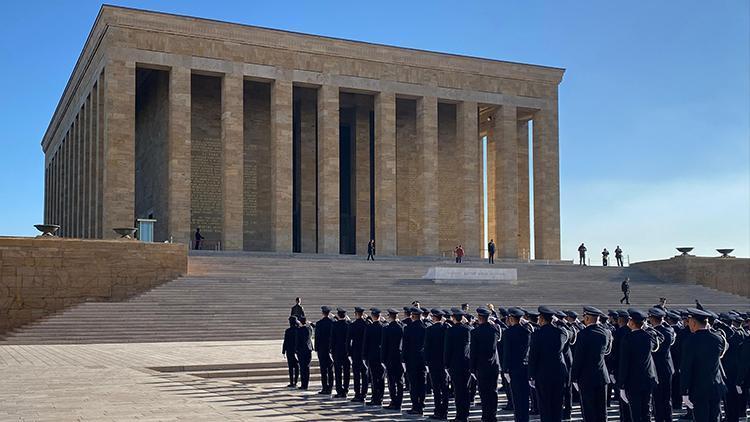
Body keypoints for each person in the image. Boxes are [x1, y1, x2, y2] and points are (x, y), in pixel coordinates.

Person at [680, 307, 728, 422]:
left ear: (694, 323)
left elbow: (686, 368)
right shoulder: (718, 338)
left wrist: (684, 391)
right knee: (715, 417)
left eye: (690, 321)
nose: (688, 324)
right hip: (715, 386)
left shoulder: (690, 341)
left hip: (698, 388)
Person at [618, 308, 661, 422]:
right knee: (646, 410)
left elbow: (624, 363)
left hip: (633, 381)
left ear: (631, 322)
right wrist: (647, 328)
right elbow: (661, 337)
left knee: (636, 413)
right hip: (648, 379)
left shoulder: (627, 338)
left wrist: (621, 384)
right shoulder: (649, 337)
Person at [571, 306, 612, 422]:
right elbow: (607, 352)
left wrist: (574, 377)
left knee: (589, 412)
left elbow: (578, 358)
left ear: (587, 317)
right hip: (602, 376)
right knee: (602, 411)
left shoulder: (583, 334)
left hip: (586, 377)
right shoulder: (606, 332)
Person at [529, 306, 569, 422]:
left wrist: (531, 375)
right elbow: (569, 333)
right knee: (557, 405)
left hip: (543, 375)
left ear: (541, 319)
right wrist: (560, 322)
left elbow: (533, 356)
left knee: (545, 405)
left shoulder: (537, 334)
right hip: (558, 374)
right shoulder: (560, 333)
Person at [471, 307, 503, 422]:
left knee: (484, 393)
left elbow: (473, 352)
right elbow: (501, 327)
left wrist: (472, 369)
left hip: (481, 366)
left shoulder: (475, 332)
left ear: (479, 318)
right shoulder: (495, 329)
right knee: (493, 392)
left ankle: (486, 416)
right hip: (494, 365)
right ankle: (492, 416)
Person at [502, 307, 533, 422]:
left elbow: (507, 353)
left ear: (511, 318)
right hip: (525, 367)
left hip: (514, 369)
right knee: (525, 396)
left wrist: (505, 370)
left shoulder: (508, 333)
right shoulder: (527, 331)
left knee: (517, 397)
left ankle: (519, 419)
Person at [444, 307, 472, 422]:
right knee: (466, 390)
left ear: (453, 318)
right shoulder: (468, 329)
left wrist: (446, 365)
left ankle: (460, 416)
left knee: (458, 391)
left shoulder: (450, 331)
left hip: (455, 365)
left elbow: (447, 349)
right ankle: (465, 413)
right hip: (467, 364)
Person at [649, 307, 675, 422]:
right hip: (667, 367)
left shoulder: (653, 333)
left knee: (658, 398)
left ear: (652, 319)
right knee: (666, 398)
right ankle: (668, 419)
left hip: (657, 369)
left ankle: (660, 419)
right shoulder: (668, 331)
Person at [424, 309, 449, 420]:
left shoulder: (430, 329)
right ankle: (445, 410)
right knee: (444, 387)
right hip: (444, 362)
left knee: (436, 388)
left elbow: (427, 348)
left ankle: (438, 410)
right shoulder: (446, 328)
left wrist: (426, 362)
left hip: (433, 363)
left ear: (434, 318)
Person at [402, 307, 427, 415]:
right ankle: (421, 403)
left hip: (411, 360)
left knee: (413, 384)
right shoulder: (425, 327)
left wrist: (403, 359)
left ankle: (415, 406)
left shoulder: (408, 328)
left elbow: (405, 346)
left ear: (412, 316)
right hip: (422, 360)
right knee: (422, 383)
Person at [381, 308, 404, 411]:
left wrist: (382, 359)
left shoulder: (387, 329)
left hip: (390, 359)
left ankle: (393, 401)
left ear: (390, 317)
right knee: (399, 381)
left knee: (391, 382)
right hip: (399, 359)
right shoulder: (401, 328)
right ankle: (399, 402)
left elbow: (384, 345)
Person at [363, 307, 385, 406]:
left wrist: (364, 356)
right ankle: (380, 397)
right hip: (381, 356)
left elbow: (365, 343)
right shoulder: (384, 327)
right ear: (379, 316)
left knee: (374, 378)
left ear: (372, 316)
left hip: (372, 356)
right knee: (381, 378)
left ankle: (375, 398)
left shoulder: (369, 328)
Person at [348, 306, 368, 403]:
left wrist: (349, 353)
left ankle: (357, 394)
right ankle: (364, 394)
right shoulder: (366, 325)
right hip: (364, 353)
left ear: (356, 314)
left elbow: (349, 340)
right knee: (364, 374)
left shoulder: (353, 325)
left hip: (355, 353)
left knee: (356, 375)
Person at [331, 307, 351, 398]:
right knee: (346, 372)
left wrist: (331, 350)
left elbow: (332, 340)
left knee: (338, 372)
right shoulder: (348, 325)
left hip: (337, 352)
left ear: (338, 315)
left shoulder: (335, 325)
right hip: (347, 352)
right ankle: (346, 390)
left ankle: (339, 391)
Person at [314, 306, 334, 395]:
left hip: (322, 349)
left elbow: (316, 338)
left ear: (322, 313)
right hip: (330, 350)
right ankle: (330, 387)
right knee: (330, 369)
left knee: (323, 369)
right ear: (329, 313)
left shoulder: (319, 323)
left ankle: (324, 388)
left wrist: (316, 348)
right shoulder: (332, 323)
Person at [295, 315, 313, 390]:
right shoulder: (309, 329)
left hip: (301, 351)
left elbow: (297, 342)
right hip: (308, 349)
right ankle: (306, 384)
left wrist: (296, 350)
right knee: (307, 367)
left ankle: (303, 384)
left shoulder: (299, 330)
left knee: (302, 368)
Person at [282, 316, 300, 388]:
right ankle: (295, 381)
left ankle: (291, 382)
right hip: (297, 351)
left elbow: (285, 341)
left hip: (289, 351)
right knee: (296, 366)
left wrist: (283, 350)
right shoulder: (298, 330)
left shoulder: (288, 331)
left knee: (291, 367)